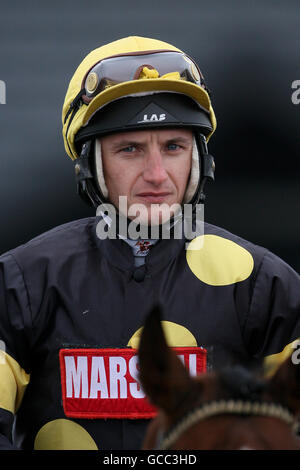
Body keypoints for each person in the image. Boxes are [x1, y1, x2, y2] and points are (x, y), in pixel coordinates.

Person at [0, 36, 299, 451]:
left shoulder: (266, 284)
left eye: (173, 147)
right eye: (130, 149)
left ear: (199, 159)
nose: (157, 175)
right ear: (89, 164)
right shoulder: (21, 282)